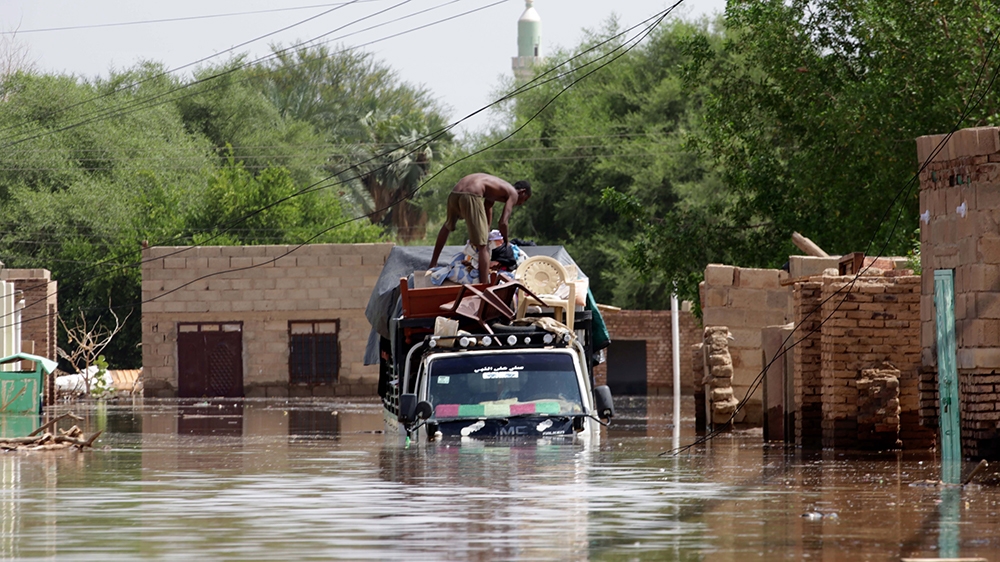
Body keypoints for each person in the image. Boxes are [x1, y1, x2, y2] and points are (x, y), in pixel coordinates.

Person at [429, 173, 532, 283]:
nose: (521, 203)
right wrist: (506, 241)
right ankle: (484, 285)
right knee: (483, 246)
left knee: (448, 225)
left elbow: (487, 207)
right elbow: (503, 222)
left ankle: (433, 263)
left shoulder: (496, 188)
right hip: (471, 194)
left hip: (455, 193)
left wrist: (486, 231)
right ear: (522, 192)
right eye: (524, 200)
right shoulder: (513, 193)